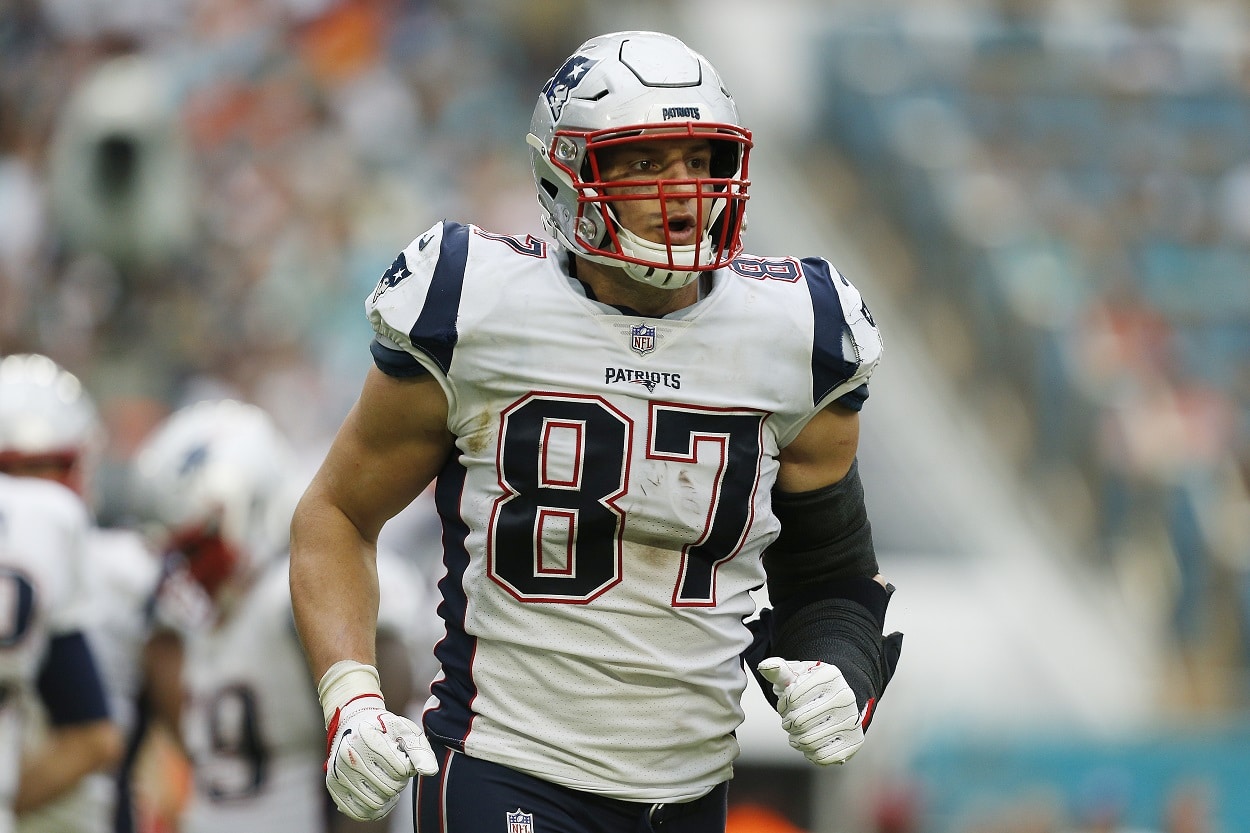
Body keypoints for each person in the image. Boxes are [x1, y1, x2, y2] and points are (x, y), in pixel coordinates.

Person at [289, 30, 904, 833]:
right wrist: (350, 699)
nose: (681, 189)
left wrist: (842, 670)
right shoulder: (474, 303)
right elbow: (335, 513)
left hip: (690, 793)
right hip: (508, 763)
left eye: (699, 158)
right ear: (567, 170)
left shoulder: (797, 333)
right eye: (646, 162)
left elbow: (831, 578)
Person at [131, 399, 427, 833]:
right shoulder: (193, 621)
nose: (187, 570)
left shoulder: (291, 594)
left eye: (197, 548)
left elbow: (389, 685)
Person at [0, 354, 136, 833]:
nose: (35, 491)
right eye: (17, 470)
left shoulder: (128, 574)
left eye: (49, 468)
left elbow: (99, 740)